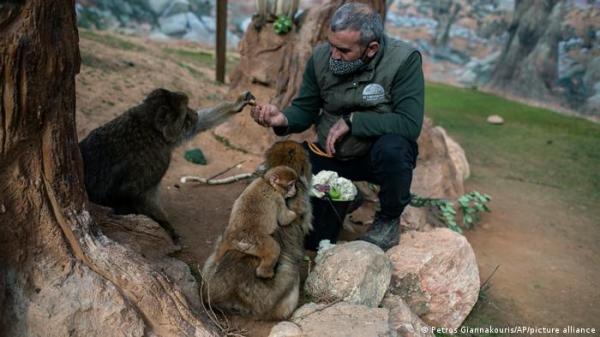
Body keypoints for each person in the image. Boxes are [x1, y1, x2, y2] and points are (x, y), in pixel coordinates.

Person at [250, 2, 424, 251]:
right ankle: (348, 198)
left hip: (374, 159)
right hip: (330, 155)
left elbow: (409, 124)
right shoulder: (321, 57)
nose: (333, 55)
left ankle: (387, 219)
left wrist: (354, 122)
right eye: (331, 45)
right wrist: (283, 119)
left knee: (395, 148)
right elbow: (305, 109)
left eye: (343, 50)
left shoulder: (403, 60)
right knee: (286, 168)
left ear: (371, 48)